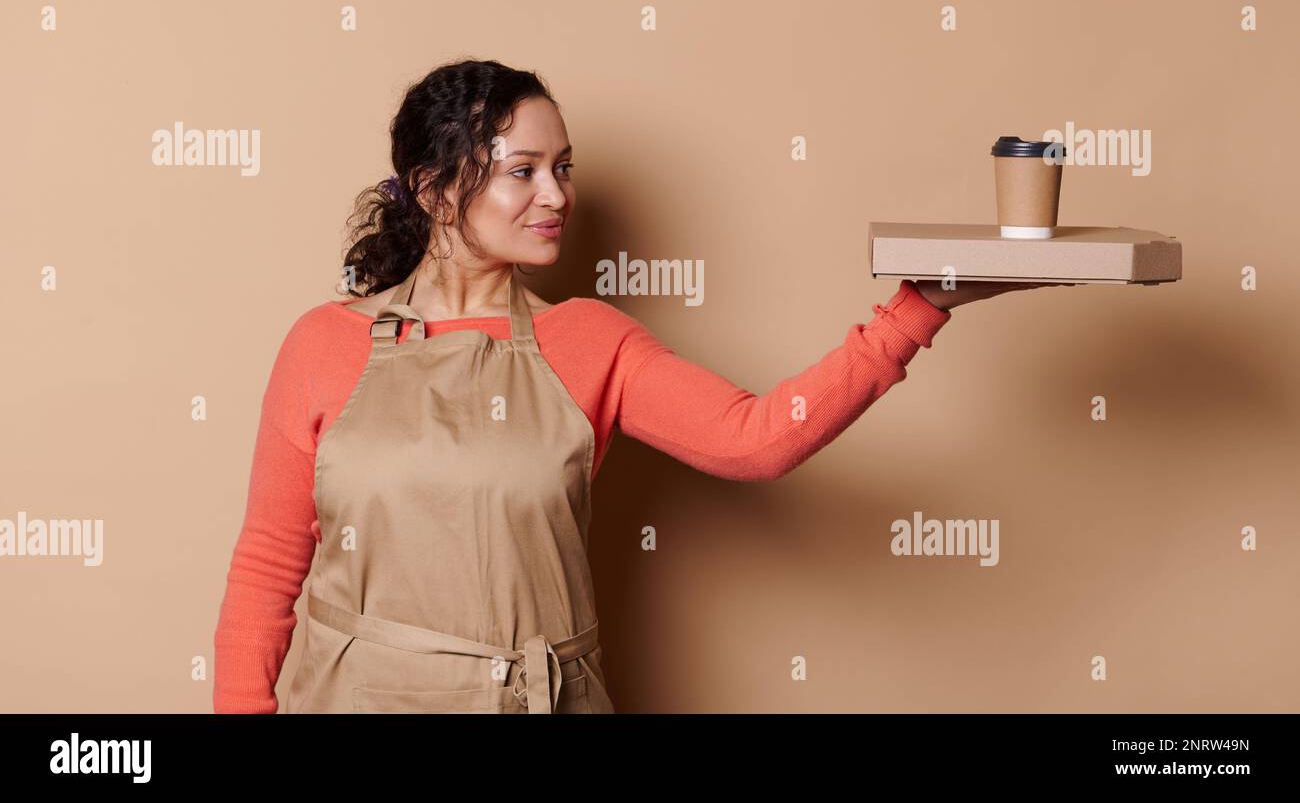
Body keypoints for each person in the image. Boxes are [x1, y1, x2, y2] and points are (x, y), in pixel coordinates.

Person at [212, 58, 1067, 714]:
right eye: (524, 170)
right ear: (436, 190)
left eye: (565, 167)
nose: (557, 194)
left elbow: (757, 439)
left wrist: (919, 308)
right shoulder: (325, 346)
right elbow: (266, 569)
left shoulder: (589, 340)